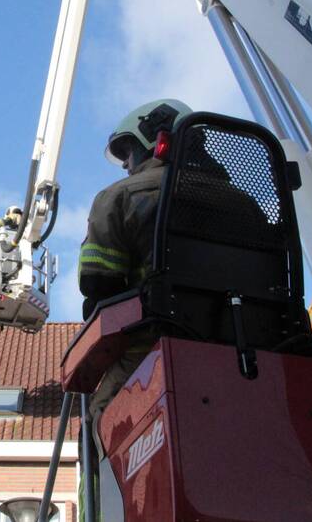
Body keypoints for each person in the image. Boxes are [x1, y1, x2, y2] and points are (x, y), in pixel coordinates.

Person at [78, 99, 192, 425]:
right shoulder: (242, 201)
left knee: (104, 419)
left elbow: (99, 286)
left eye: (128, 153)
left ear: (155, 141)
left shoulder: (121, 197)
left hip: (154, 347)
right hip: (247, 353)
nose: (127, 165)